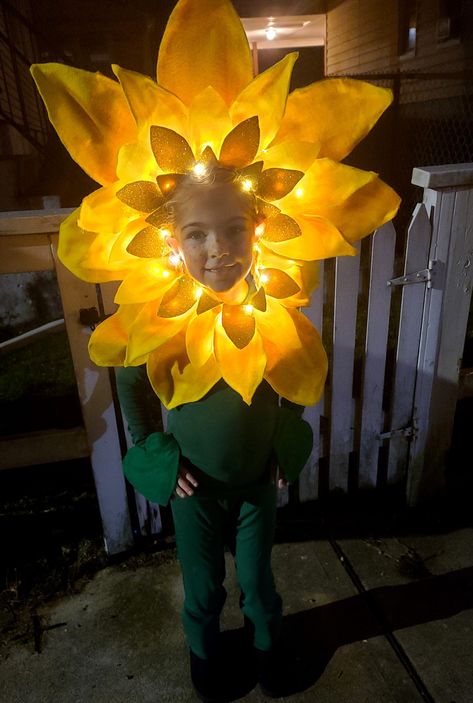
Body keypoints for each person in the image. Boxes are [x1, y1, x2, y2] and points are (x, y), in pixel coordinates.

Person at [116, 163, 313, 702]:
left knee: (257, 580)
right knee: (203, 587)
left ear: (258, 230)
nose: (218, 248)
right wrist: (155, 449)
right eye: (196, 234)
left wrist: (285, 439)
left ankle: (269, 652)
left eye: (234, 229)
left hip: (254, 486)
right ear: (172, 242)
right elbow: (131, 384)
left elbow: (299, 377)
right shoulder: (162, 320)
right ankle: (205, 662)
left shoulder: (272, 309)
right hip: (195, 488)